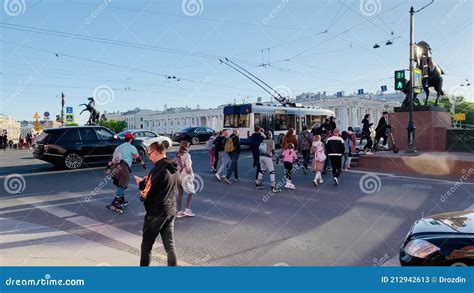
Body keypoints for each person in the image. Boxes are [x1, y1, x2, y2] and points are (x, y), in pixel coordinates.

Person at [136, 142, 178, 266]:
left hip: (155, 213)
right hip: (170, 211)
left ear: (156, 152)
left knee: (146, 247)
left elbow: (145, 195)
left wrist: (140, 184)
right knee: (170, 247)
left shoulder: (156, 170)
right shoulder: (173, 167)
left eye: (149, 154)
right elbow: (164, 186)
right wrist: (149, 181)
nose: (148, 157)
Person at [106, 133, 147, 211]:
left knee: (120, 184)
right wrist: (144, 165)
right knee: (122, 185)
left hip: (114, 168)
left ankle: (121, 200)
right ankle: (115, 202)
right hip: (123, 167)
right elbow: (138, 158)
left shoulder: (119, 147)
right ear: (131, 139)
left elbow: (112, 159)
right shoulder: (132, 147)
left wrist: (107, 168)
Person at [175, 141, 196, 218]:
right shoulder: (187, 155)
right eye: (188, 145)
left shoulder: (178, 154)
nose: (189, 147)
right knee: (191, 192)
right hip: (185, 176)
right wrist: (191, 175)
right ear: (185, 147)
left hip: (178, 175)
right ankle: (187, 209)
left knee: (180, 194)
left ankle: (179, 211)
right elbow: (188, 167)